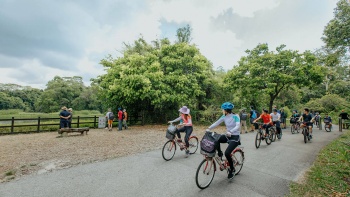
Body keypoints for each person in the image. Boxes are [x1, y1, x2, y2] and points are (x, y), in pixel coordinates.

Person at [206, 102, 240, 179]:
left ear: (226, 110)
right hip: (228, 135)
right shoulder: (224, 116)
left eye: (223, 110)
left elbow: (238, 126)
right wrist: (209, 128)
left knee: (227, 153)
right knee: (216, 139)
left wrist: (231, 131)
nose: (222, 111)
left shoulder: (235, 116)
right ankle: (220, 153)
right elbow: (217, 123)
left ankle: (232, 169)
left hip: (235, 137)